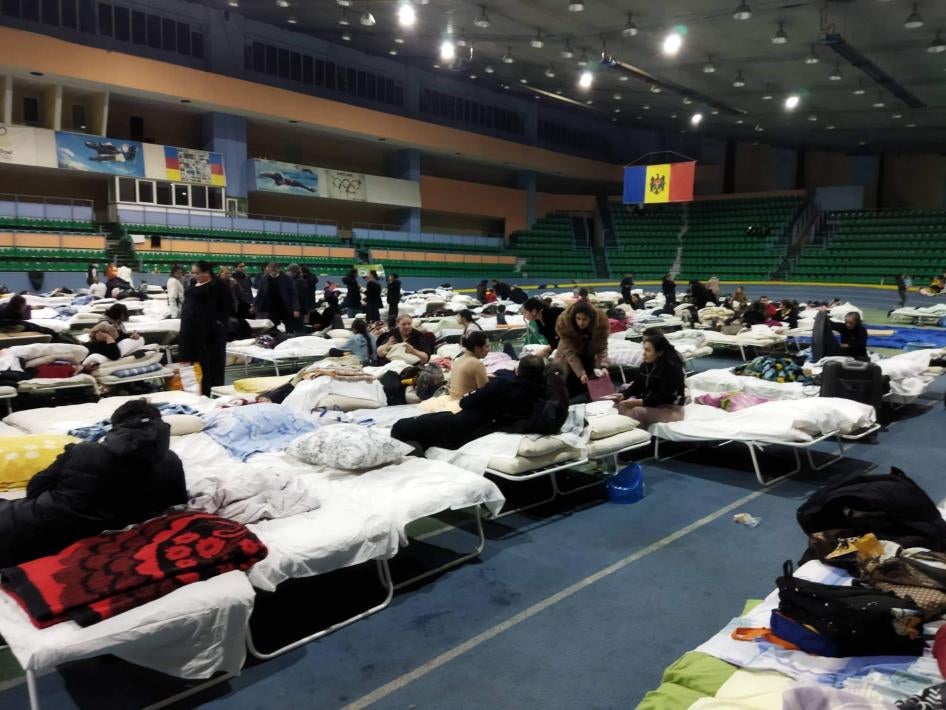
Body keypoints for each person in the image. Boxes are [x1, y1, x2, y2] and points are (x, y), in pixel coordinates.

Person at [0, 399, 187, 568]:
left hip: (28, 532)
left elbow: (34, 489)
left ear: (116, 427)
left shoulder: (83, 451)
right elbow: (174, 505)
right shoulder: (172, 462)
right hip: (95, 540)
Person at [391, 355, 567, 451]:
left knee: (401, 426)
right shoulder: (546, 394)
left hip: (464, 427)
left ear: (518, 370)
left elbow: (465, 403)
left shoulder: (504, 384)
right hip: (482, 428)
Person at [179, 261, 234, 396]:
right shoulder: (193, 284)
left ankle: (213, 392)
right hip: (191, 331)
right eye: (193, 272)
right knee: (196, 364)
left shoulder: (218, 285)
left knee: (211, 365)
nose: (194, 275)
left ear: (206, 273)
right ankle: (198, 392)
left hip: (210, 334)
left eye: (197, 273)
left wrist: (217, 323)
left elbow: (228, 307)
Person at [616, 334, 686, 427]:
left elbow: (663, 396)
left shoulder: (673, 368)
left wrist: (641, 402)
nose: (644, 353)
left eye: (648, 350)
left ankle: (636, 437)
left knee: (637, 412)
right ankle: (625, 432)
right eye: (644, 349)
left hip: (672, 408)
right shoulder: (646, 366)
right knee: (620, 404)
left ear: (660, 352)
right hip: (652, 405)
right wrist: (623, 395)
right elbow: (637, 385)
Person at [554, 300, 610, 398]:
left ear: (591, 319)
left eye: (585, 319)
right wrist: (581, 373)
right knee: (571, 390)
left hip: (588, 356)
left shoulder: (600, 326)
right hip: (568, 362)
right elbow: (570, 354)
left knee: (592, 390)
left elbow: (602, 347)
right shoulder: (566, 327)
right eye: (578, 318)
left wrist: (603, 366)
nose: (581, 323)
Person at [254, 262, 300, 331]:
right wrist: (255, 305)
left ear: (279, 269)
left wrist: (296, 309)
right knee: (272, 328)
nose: (273, 272)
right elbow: (260, 293)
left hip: (285, 307)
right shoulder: (264, 279)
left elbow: (293, 294)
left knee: (289, 328)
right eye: (271, 270)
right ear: (268, 269)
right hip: (272, 308)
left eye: (274, 270)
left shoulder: (287, 279)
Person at [449, 330, 489, 399]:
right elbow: (485, 393)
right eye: (487, 346)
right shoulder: (477, 364)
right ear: (477, 348)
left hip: (453, 401)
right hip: (466, 405)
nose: (489, 350)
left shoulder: (458, 360)